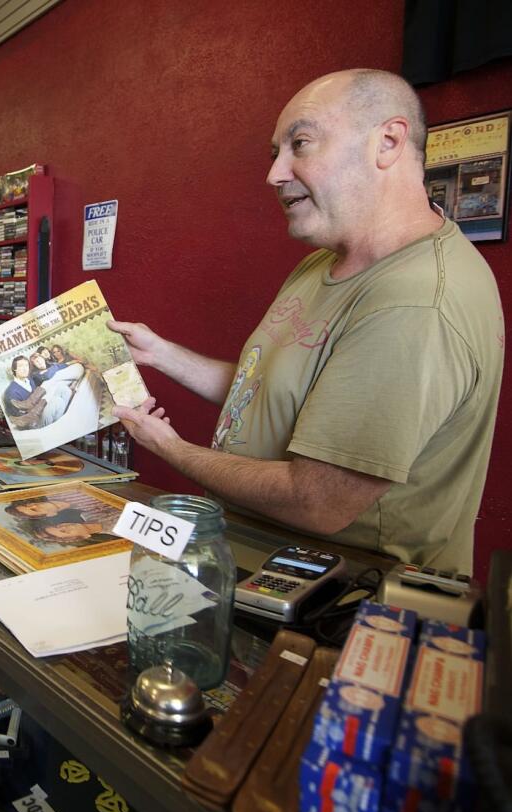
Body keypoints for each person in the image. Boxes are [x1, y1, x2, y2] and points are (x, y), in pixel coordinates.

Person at [108, 69, 503, 573]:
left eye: (301, 144)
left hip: (341, 602)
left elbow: (319, 499)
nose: (274, 174)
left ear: (387, 142)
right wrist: (161, 353)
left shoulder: (416, 300)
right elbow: (269, 392)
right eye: (276, 153)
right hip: (256, 566)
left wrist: (170, 447)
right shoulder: (322, 262)